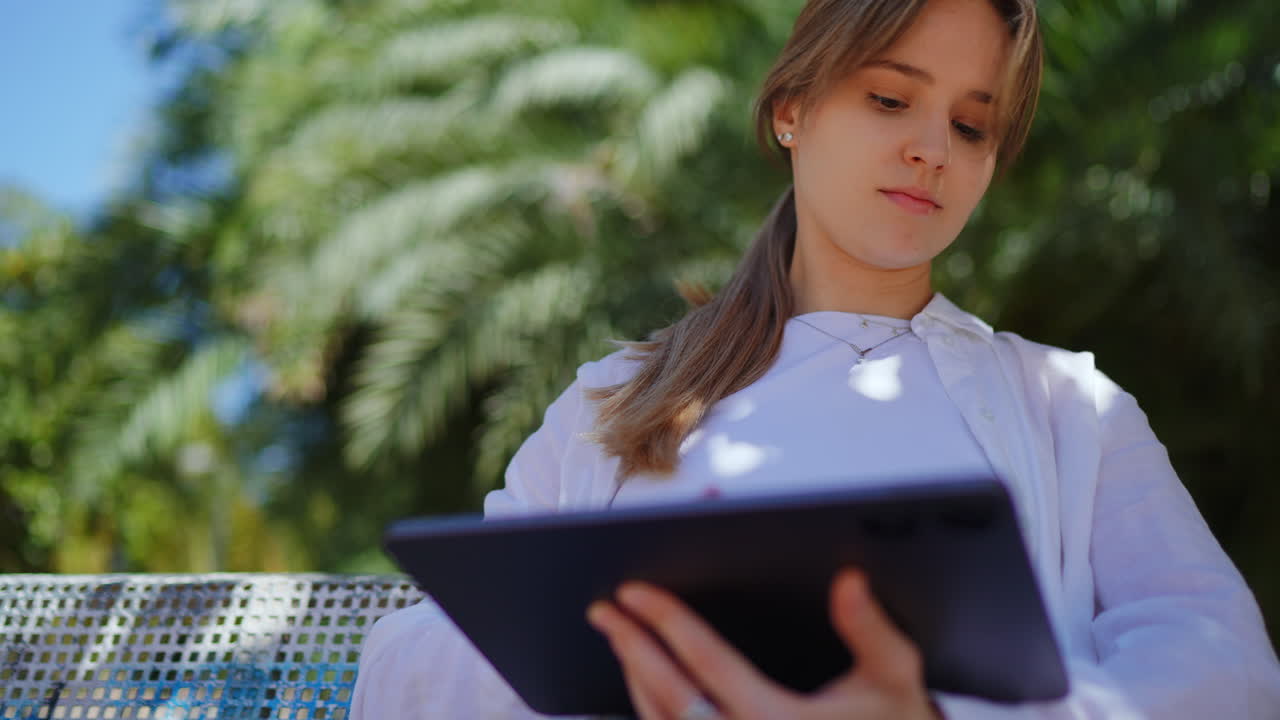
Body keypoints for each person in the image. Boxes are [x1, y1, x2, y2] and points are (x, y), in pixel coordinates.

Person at [351, 0, 1280, 717]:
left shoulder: (1070, 406)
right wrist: (645, 661)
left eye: (972, 125)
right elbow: (410, 664)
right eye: (891, 99)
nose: (931, 149)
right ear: (792, 108)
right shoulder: (619, 398)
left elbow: (1225, 660)